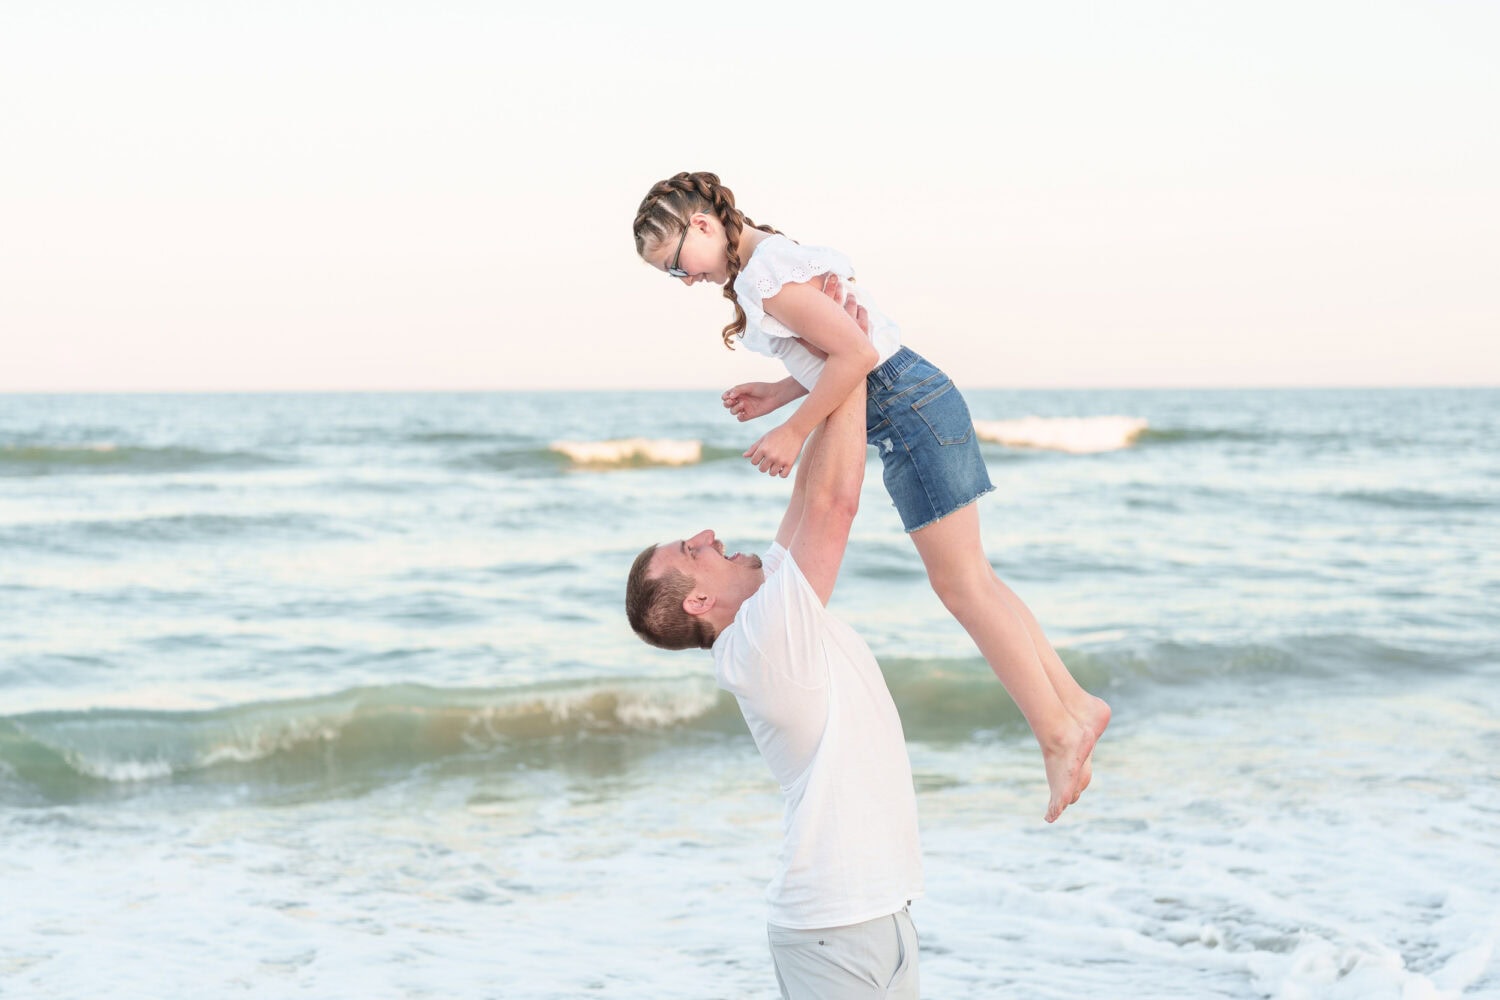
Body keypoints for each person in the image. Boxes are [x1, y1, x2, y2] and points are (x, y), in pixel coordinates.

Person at [631, 171, 1109, 823]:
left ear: (704, 227)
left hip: (907, 409)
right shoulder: (765, 260)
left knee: (961, 586)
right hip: (915, 401)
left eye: (675, 265)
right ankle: (1075, 707)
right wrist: (780, 393)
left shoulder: (763, 275)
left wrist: (794, 432)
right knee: (975, 579)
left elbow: (855, 354)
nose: (683, 281)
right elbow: (843, 352)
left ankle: (1058, 733)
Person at [625, 304, 924, 998]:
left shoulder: (764, 615)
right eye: (690, 551)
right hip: (835, 927)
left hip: (878, 913)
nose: (706, 533)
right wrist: (848, 353)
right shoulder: (761, 641)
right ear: (699, 604)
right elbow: (835, 506)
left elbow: (810, 490)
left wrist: (828, 366)